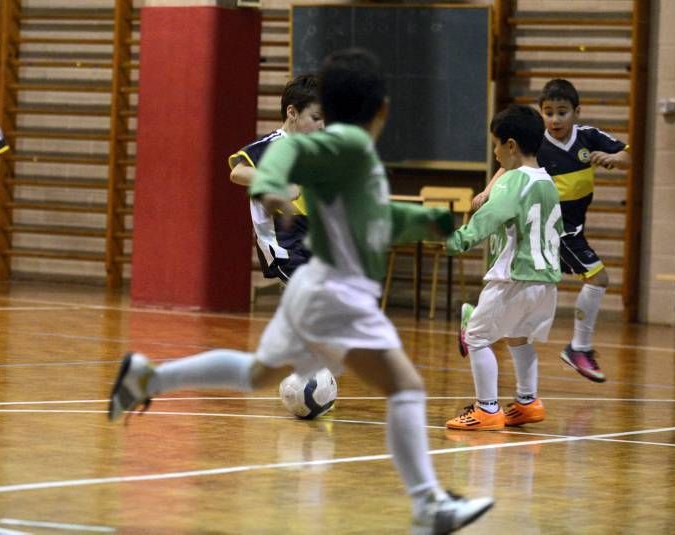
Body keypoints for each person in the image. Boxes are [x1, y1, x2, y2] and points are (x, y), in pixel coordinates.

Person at [108, 48, 493, 534]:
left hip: (324, 278)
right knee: (405, 387)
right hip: (316, 271)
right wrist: (277, 188)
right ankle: (429, 503)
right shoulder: (303, 149)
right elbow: (243, 171)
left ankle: (148, 379)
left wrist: (420, 220)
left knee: (258, 373)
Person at [470, 79, 630, 383]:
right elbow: (508, 165)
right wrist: (487, 191)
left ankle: (475, 318)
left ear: (576, 112)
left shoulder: (588, 137)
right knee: (598, 277)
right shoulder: (538, 144)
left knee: (520, 297)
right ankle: (579, 348)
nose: (555, 119)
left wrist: (613, 159)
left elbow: (627, 154)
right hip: (555, 229)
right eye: (548, 112)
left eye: (562, 112)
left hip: (575, 228)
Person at [445, 105, 562, 431]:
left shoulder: (514, 181)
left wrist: (457, 240)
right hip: (546, 283)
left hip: (514, 278)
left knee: (478, 337)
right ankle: (528, 403)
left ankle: (487, 409)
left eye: (496, 144)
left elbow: (489, 218)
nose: (494, 153)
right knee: (519, 338)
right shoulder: (547, 183)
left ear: (511, 145)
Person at [228, 74, 324, 284]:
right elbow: (238, 173)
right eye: (316, 118)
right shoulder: (274, 144)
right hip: (284, 245)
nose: (322, 125)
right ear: (292, 112)